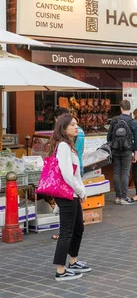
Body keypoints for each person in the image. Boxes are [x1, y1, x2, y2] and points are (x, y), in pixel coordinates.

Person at [49, 114, 91, 281]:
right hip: (67, 194)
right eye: (72, 125)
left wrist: (81, 190)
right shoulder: (63, 147)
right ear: (63, 128)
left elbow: (74, 172)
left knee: (78, 228)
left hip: (72, 193)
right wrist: (80, 191)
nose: (76, 127)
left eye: (76, 124)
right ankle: (60, 270)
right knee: (66, 232)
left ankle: (73, 261)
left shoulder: (69, 145)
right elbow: (67, 174)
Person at [107, 100, 137, 205]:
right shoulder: (132, 121)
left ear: (121, 108)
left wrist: (110, 147)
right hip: (127, 150)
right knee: (125, 172)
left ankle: (117, 196)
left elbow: (109, 136)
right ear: (129, 108)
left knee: (116, 172)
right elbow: (136, 138)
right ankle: (124, 197)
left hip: (115, 149)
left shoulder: (114, 120)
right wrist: (136, 153)